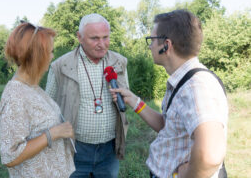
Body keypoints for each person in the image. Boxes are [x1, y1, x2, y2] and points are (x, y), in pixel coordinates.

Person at [110, 10, 228, 178]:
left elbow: (211, 154)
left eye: (152, 40)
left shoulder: (196, 86)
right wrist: (133, 100)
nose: (150, 46)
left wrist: (185, 175)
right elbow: (167, 126)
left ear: (166, 45)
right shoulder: (182, 81)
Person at [45, 13, 129, 178]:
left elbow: (127, 99)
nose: (102, 44)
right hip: (74, 150)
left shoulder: (120, 62)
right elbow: (47, 108)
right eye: (95, 38)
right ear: (80, 37)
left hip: (109, 151)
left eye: (105, 37)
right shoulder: (60, 66)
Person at [0, 22, 75, 178]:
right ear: (38, 56)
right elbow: (10, 156)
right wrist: (52, 134)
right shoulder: (16, 96)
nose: (53, 57)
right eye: (51, 52)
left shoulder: (32, 87)